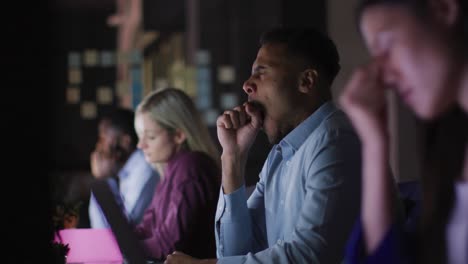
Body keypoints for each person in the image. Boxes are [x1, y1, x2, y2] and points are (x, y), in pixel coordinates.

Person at [166, 27, 363, 264]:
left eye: (261, 73)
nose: (247, 85)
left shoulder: (336, 141)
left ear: (306, 81)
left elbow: (310, 256)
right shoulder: (280, 155)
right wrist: (233, 158)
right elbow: (233, 253)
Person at [338, 0, 468, 263]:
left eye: (386, 47)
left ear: (444, 9)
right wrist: (375, 143)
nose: (384, 77)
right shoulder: (449, 149)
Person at [133, 88, 221, 261]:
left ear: (179, 135)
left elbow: (168, 245)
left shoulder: (192, 167)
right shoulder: (171, 170)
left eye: (150, 137)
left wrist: (123, 247)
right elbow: (146, 228)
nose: (140, 145)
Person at [88, 108, 159, 228]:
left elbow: (114, 232)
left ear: (125, 141)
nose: (99, 146)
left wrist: (103, 181)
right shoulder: (125, 173)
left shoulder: (145, 170)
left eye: (103, 139)